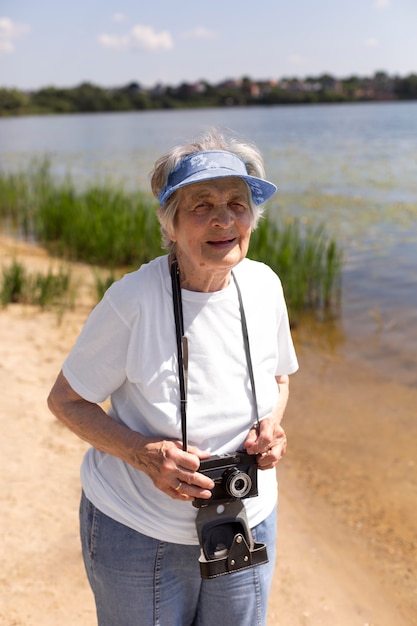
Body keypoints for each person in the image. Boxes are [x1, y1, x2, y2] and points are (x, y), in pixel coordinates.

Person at [47, 128, 299, 626]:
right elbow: (66, 401)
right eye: (201, 205)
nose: (224, 219)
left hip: (245, 521)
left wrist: (271, 428)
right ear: (170, 225)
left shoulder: (265, 284)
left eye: (237, 203)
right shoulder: (131, 301)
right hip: (139, 532)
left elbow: (279, 380)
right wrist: (142, 454)